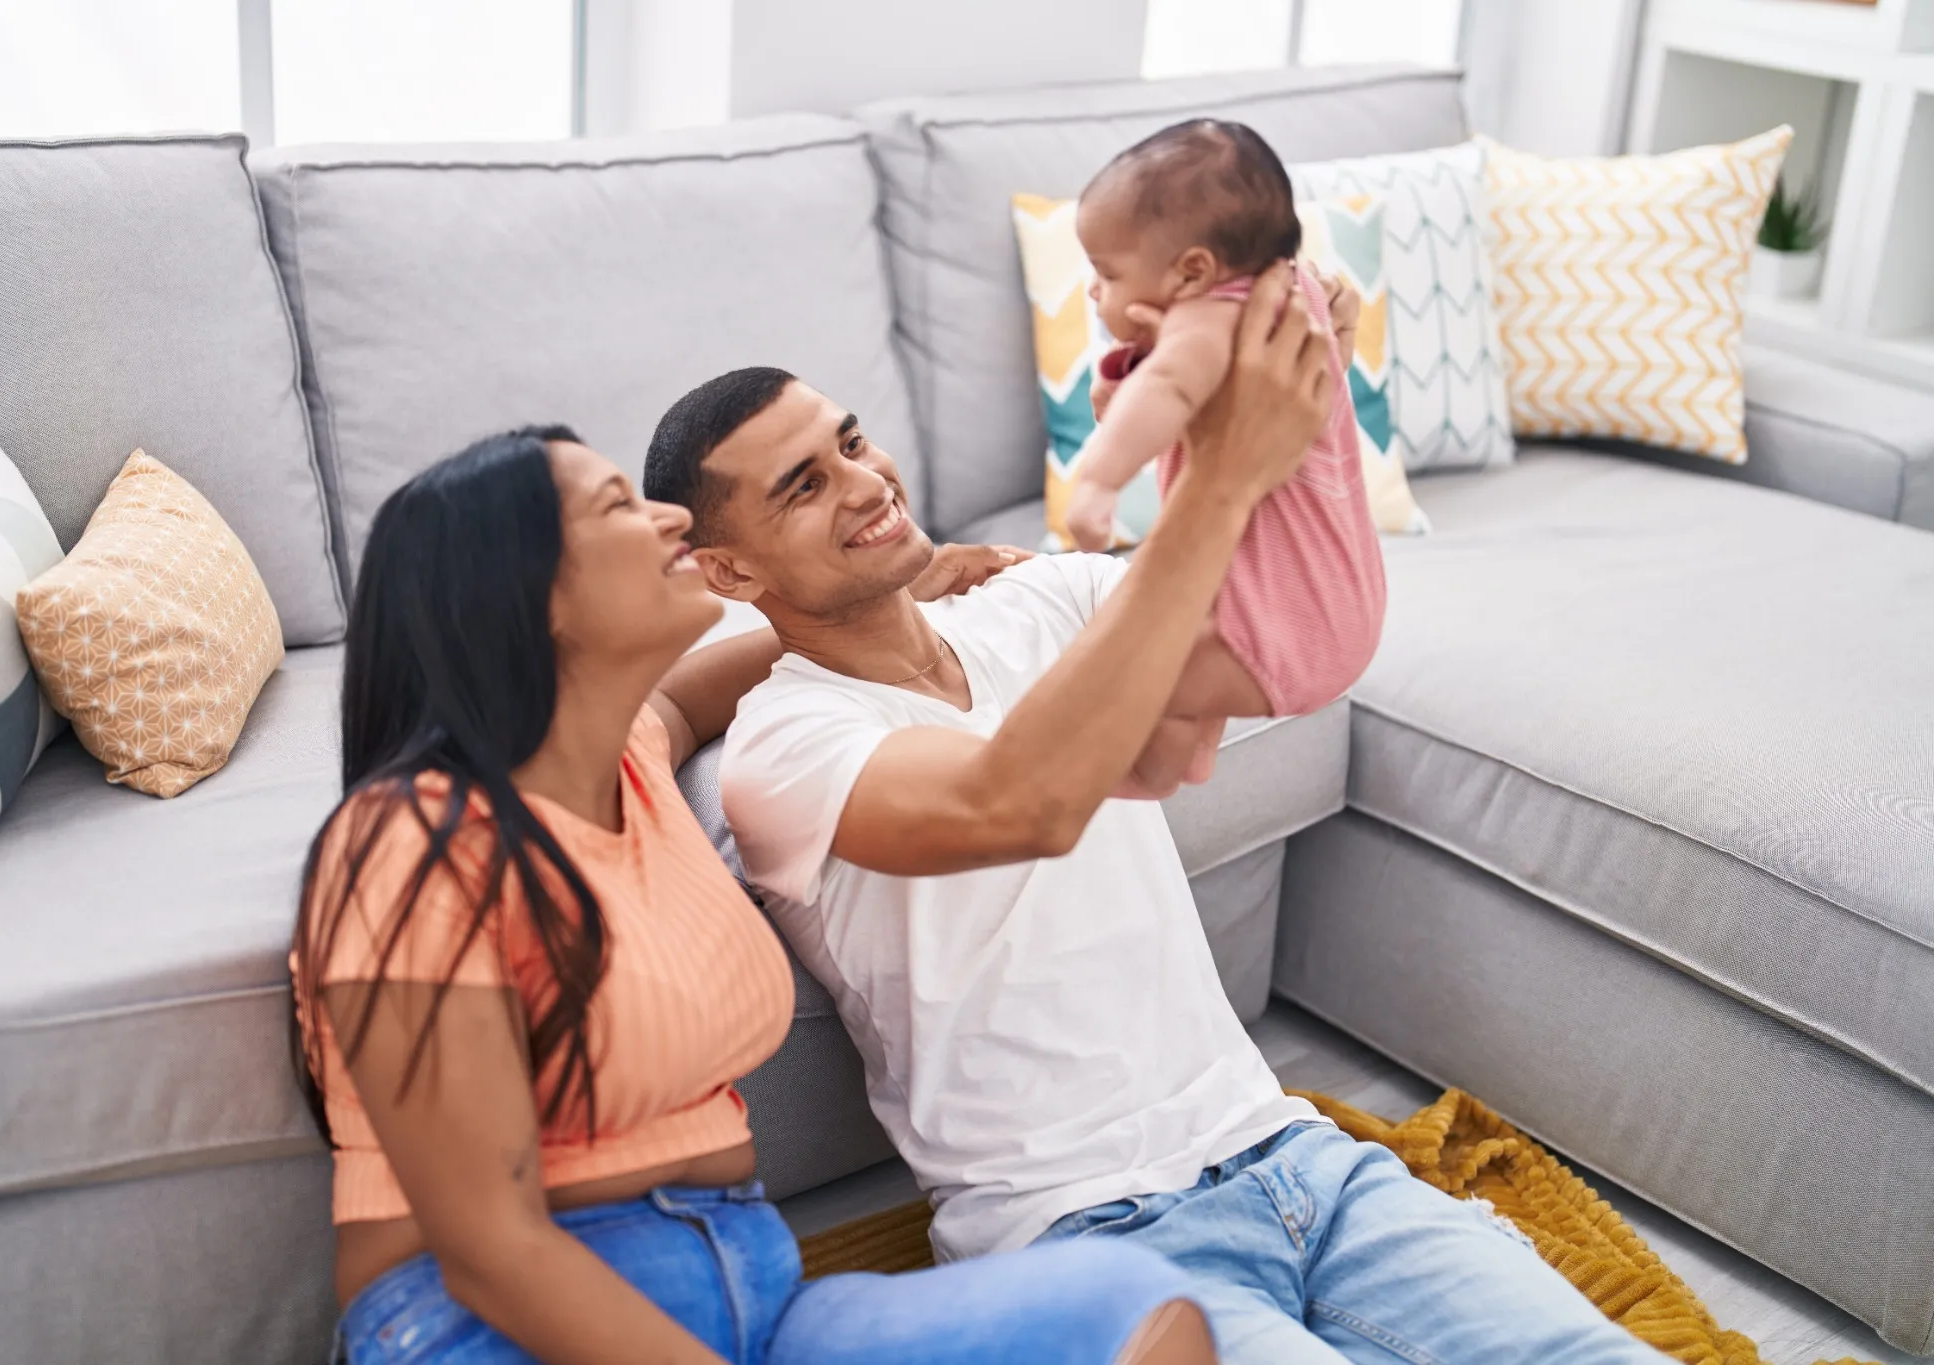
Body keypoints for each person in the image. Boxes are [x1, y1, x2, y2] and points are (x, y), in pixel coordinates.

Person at [641, 268, 1669, 1364]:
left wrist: (1313, 425)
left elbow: (1285, 658)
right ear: (727, 568)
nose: (861, 482)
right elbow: (1016, 803)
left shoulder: (1035, 603)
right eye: (803, 486)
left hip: (1297, 1156)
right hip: (1081, 1237)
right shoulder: (785, 747)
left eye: (850, 442)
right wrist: (1220, 484)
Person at [287, 425, 1222, 1364]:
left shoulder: (627, 767)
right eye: (619, 505)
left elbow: (688, 699)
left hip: (755, 1299)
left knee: (1134, 1308)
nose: (669, 520)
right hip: (498, 1326)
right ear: (526, 597)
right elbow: (490, 1249)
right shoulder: (410, 843)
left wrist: (884, 594)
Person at [1062, 119, 1385, 793]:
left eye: (1107, 272)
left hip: (1287, 627)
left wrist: (1096, 482)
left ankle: (1148, 771)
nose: (1094, 291)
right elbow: (1156, 395)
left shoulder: (1210, 317)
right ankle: (1194, 743)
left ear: (1193, 272)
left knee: (1157, 670)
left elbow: (1167, 387)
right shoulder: (1293, 300)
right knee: (1191, 641)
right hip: (1332, 605)